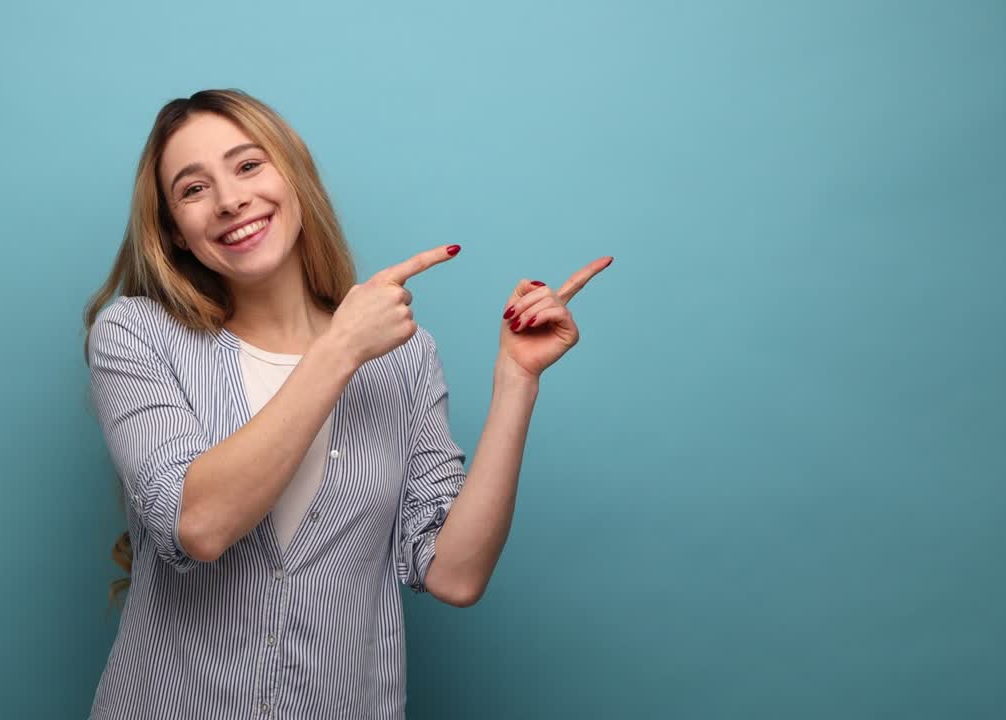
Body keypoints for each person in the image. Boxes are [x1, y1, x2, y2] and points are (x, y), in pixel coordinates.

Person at [81, 88, 612, 719]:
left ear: (294, 178)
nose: (230, 200)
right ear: (173, 233)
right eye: (193, 189)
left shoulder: (404, 357)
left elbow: (455, 575)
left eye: (249, 165)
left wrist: (517, 379)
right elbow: (199, 525)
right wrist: (339, 351)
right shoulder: (135, 335)